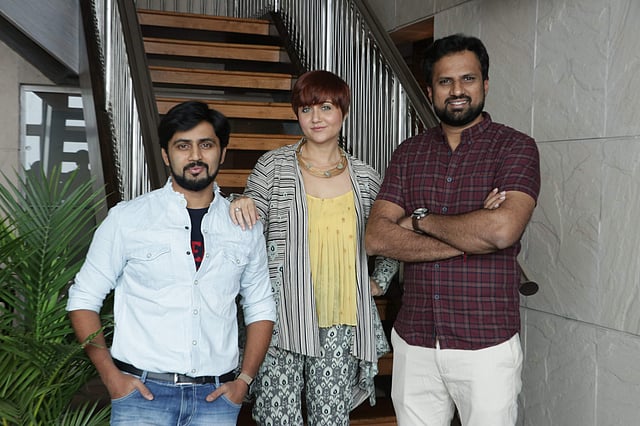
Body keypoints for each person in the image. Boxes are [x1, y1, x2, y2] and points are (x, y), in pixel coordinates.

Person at [365, 34, 541, 426]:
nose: (457, 90)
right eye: (445, 81)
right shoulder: (409, 153)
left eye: (468, 79)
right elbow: (376, 236)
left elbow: (501, 231)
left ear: (485, 84)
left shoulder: (515, 148)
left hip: (486, 344)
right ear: (430, 91)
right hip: (415, 341)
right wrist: (470, 235)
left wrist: (419, 221)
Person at [66, 101, 276, 426]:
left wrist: (244, 381)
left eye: (206, 145)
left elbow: (261, 306)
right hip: (141, 397)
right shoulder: (128, 219)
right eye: (183, 146)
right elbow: (82, 300)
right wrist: (111, 377)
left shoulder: (243, 226)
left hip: (216, 401)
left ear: (222, 153)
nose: (195, 156)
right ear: (166, 155)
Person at [229, 70, 399, 425]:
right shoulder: (273, 167)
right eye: (306, 109)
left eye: (325, 107)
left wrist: (380, 280)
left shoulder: (365, 177)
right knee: (277, 418)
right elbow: (247, 221)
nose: (316, 117)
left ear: (343, 112)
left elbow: (390, 233)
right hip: (281, 316)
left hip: (341, 320)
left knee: (330, 418)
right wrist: (237, 201)